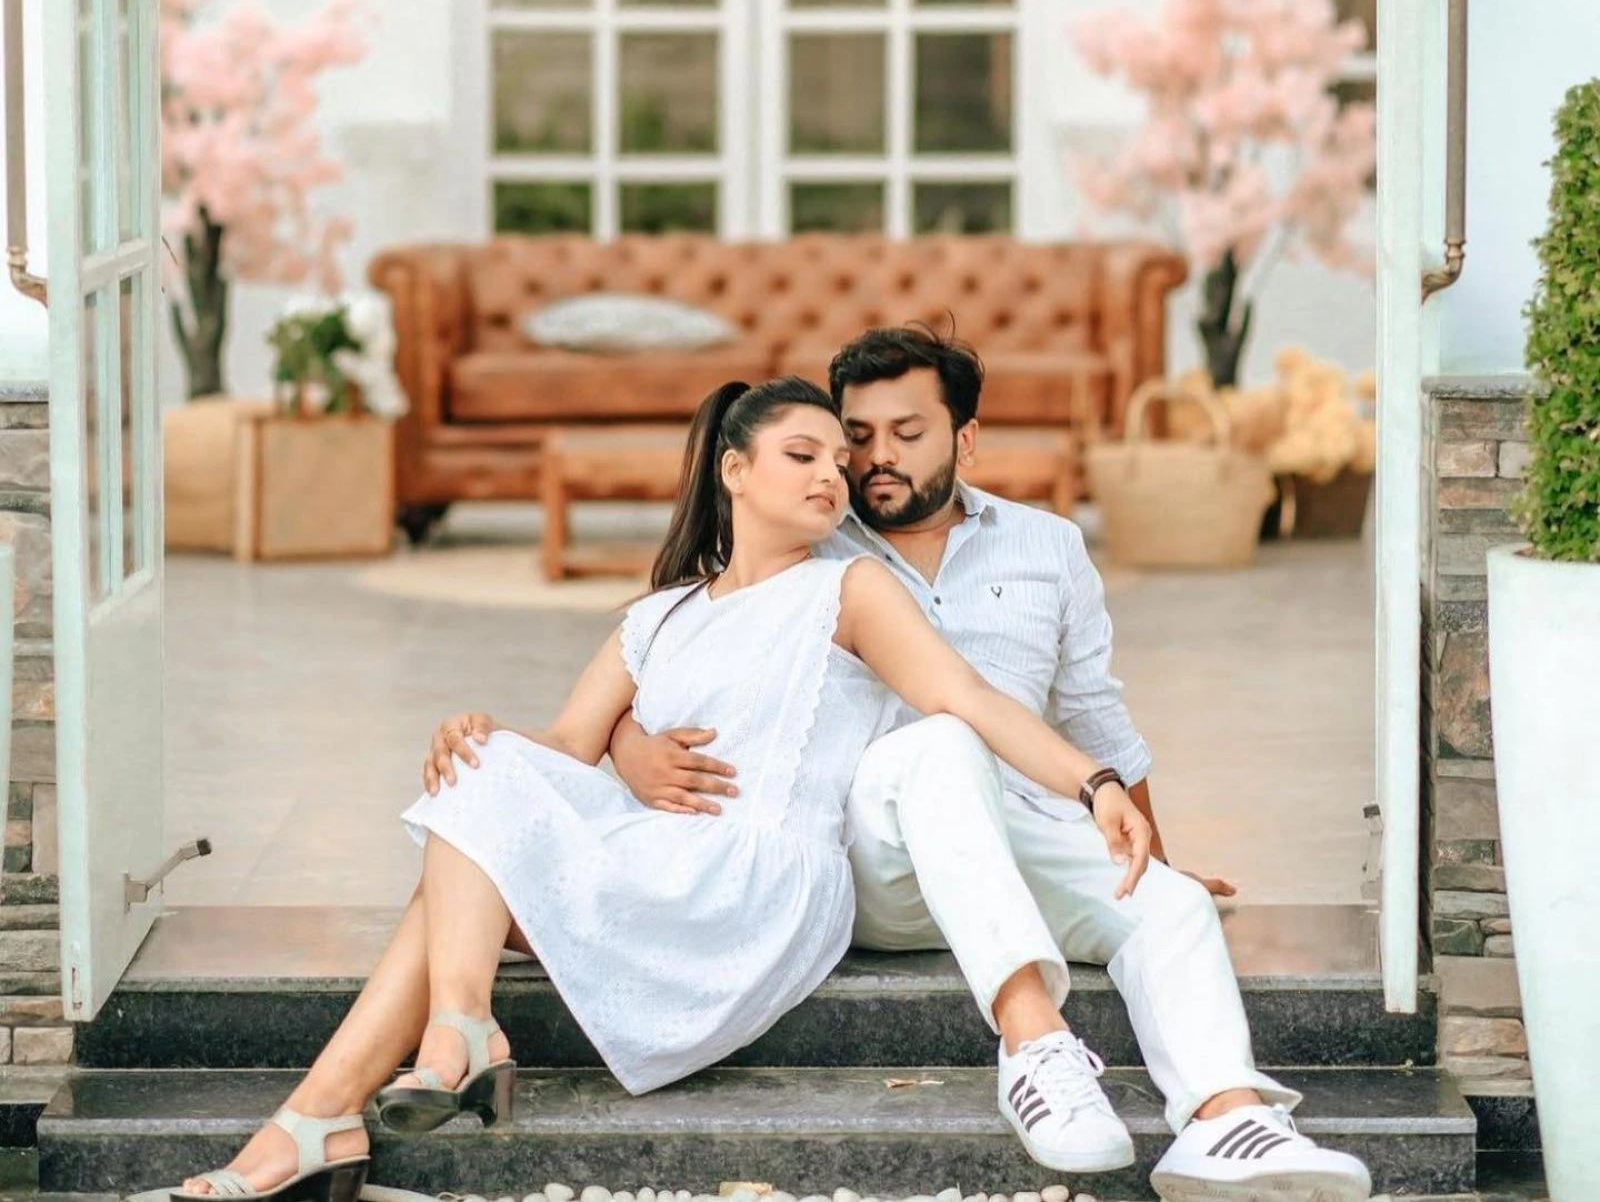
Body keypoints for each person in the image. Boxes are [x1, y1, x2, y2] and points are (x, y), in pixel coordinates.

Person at [172, 375, 1155, 1202]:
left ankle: (366, 1085)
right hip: (657, 864)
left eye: (837, 463)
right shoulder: (655, 616)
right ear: (733, 470)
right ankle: (383, 1076)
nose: (833, 475)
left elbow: (966, 696)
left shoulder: (848, 589)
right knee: (482, 771)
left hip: (754, 886)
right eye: (802, 454)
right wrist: (480, 733)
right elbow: (561, 745)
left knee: (460, 863)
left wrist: (1095, 779)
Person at [611, 328, 1372, 1202]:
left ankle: (1225, 1123)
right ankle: (1032, 1047)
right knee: (941, 740)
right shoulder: (810, 538)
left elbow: (1099, 723)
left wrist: (1144, 852)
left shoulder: (1047, 547)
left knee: (1172, 903)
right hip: (873, 853)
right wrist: (630, 746)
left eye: (908, 433)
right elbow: (684, 643)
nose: (872, 459)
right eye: (858, 436)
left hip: (1020, 833)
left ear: (965, 439)